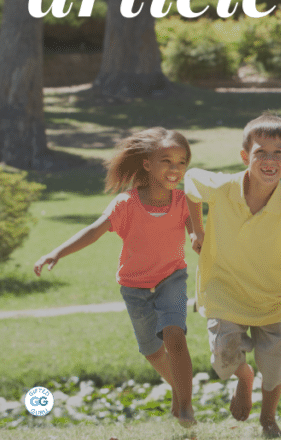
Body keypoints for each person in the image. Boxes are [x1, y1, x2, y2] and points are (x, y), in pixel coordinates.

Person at [184, 113, 281, 437]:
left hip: (273, 302)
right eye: (260, 152)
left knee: (275, 369)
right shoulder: (223, 187)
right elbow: (189, 183)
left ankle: (268, 419)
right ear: (245, 156)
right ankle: (244, 377)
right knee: (224, 359)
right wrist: (196, 230)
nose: (269, 160)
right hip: (223, 292)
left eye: (278, 153)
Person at [34, 127, 198, 428]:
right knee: (152, 351)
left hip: (172, 278)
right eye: (166, 161)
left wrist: (200, 240)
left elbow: (197, 233)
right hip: (134, 288)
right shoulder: (127, 204)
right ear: (147, 163)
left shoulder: (184, 202)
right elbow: (94, 230)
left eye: (181, 162)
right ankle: (177, 387)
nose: (175, 169)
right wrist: (56, 252)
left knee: (175, 336)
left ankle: (185, 406)